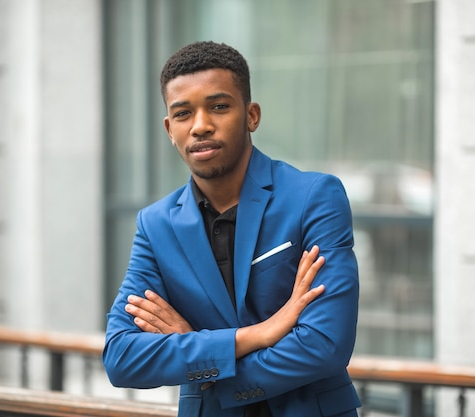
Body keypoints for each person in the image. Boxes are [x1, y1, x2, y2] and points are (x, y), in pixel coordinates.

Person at [103, 41, 361, 417]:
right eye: (183, 113)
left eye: (219, 107)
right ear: (169, 129)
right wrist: (257, 334)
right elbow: (121, 356)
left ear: (251, 115)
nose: (201, 125)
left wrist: (203, 360)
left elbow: (324, 344)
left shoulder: (313, 197)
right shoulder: (156, 225)